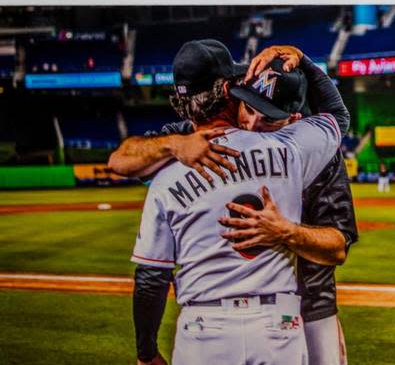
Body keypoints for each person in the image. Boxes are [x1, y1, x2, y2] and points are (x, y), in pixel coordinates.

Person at [112, 42, 357, 365]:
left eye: (267, 116)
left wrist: (288, 233)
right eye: (250, 109)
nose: (254, 123)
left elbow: (151, 275)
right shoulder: (291, 149)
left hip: (296, 308)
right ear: (232, 92)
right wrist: (173, 145)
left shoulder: (167, 172)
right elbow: (337, 118)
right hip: (276, 324)